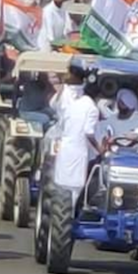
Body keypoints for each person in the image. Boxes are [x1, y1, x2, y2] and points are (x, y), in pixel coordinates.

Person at [52, 66, 99, 206]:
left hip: (65, 147)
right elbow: (88, 132)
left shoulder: (75, 104)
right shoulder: (90, 108)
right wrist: (99, 148)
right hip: (76, 150)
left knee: (62, 186)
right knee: (74, 189)